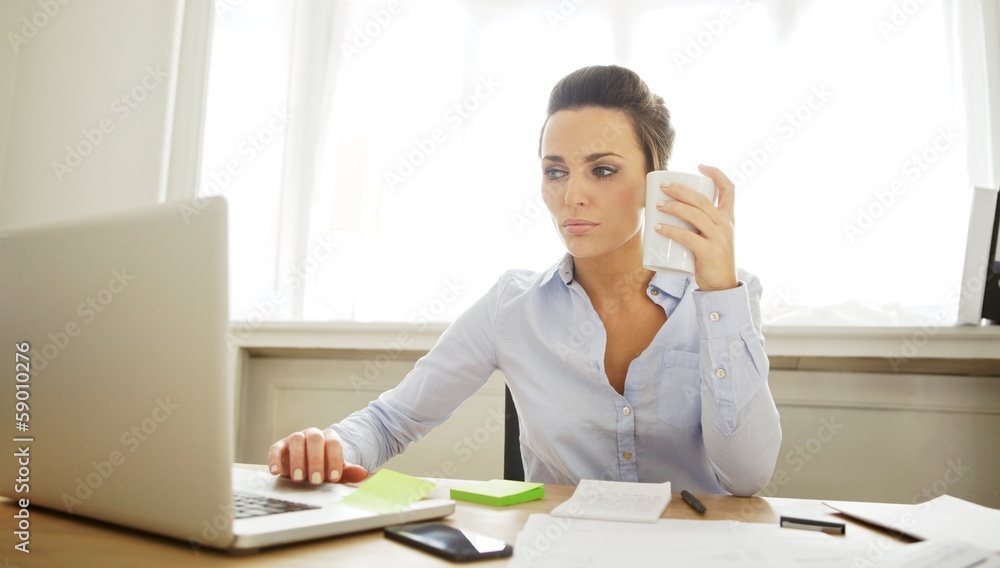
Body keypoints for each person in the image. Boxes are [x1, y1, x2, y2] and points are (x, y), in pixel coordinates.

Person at [268, 64, 781, 496]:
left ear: (657, 183)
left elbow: (747, 477)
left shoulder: (726, 297)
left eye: (602, 170)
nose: (571, 196)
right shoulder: (512, 306)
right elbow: (390, 421)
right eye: (555, 171)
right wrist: (330, 445)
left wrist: (718, 294)